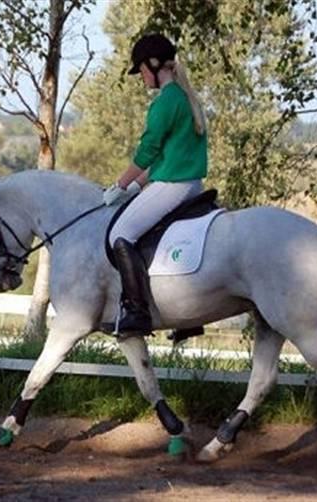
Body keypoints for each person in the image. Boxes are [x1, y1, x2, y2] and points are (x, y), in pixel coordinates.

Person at [103, 33, 208, 335]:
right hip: (190, 183)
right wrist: (137, 185)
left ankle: (137, 311)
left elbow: (147, 152)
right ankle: (191, 314)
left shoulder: (165, 102)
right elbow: (167, 155)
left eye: (141, 71)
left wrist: (120, 185)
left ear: (153, 64)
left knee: (120, 234)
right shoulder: (186, 97)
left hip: (173, 184)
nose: (141, 78)